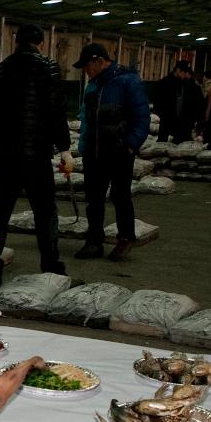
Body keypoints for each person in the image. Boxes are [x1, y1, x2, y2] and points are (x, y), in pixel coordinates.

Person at [0, 24, 73, 285]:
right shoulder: (48, 68)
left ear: (16, 42)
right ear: (41, 44)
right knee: (45, 212)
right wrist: (64, 148)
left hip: (6, 155)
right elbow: (57, 111)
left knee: (0, 211)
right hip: (36, 154)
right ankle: (51, 268)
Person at [73, 42, 150, 262]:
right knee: (93, 198)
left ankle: (125, 238)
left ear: (99, 61)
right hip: (94, 152)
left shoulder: (128, 82)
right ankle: (94, 241)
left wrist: (129, 145)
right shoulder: (93, 85)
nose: (86, 71)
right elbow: (86, 118)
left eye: (88, 65)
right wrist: (84, 145)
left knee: (120, 196)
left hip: (119, 151)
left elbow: (141, 117)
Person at [153, 60, 203, 144]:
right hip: (167, 120)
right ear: (178, 70)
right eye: (184, 72)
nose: (186, 75)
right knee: (162, 143)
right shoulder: (164, 83)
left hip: (182, 122)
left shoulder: (187, 84)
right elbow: (157, 101)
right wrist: (162, 114)